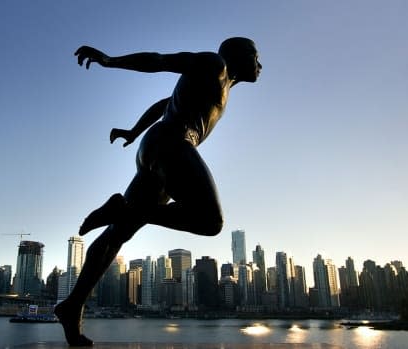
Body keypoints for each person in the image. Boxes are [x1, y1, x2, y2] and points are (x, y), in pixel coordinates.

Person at [55, 37, 261, 346]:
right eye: (257, 56)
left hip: (157, 145)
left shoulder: (219, 85)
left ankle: (72, 306)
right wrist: (110, 60)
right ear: (241, 55)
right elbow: (160, 60)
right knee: (209, 221)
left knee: (116, 235)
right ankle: (123, 209)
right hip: (172, 143)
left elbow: (164, 104)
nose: (260, 64)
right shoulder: (214, 65)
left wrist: (133, 131)